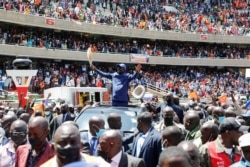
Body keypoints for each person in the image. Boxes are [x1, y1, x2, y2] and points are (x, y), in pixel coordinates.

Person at [41, 123, 109, 167]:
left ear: (81, 146)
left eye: (73, 142)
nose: (68, 146)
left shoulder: (99, 164)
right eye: (63, 143)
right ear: (53, 148)